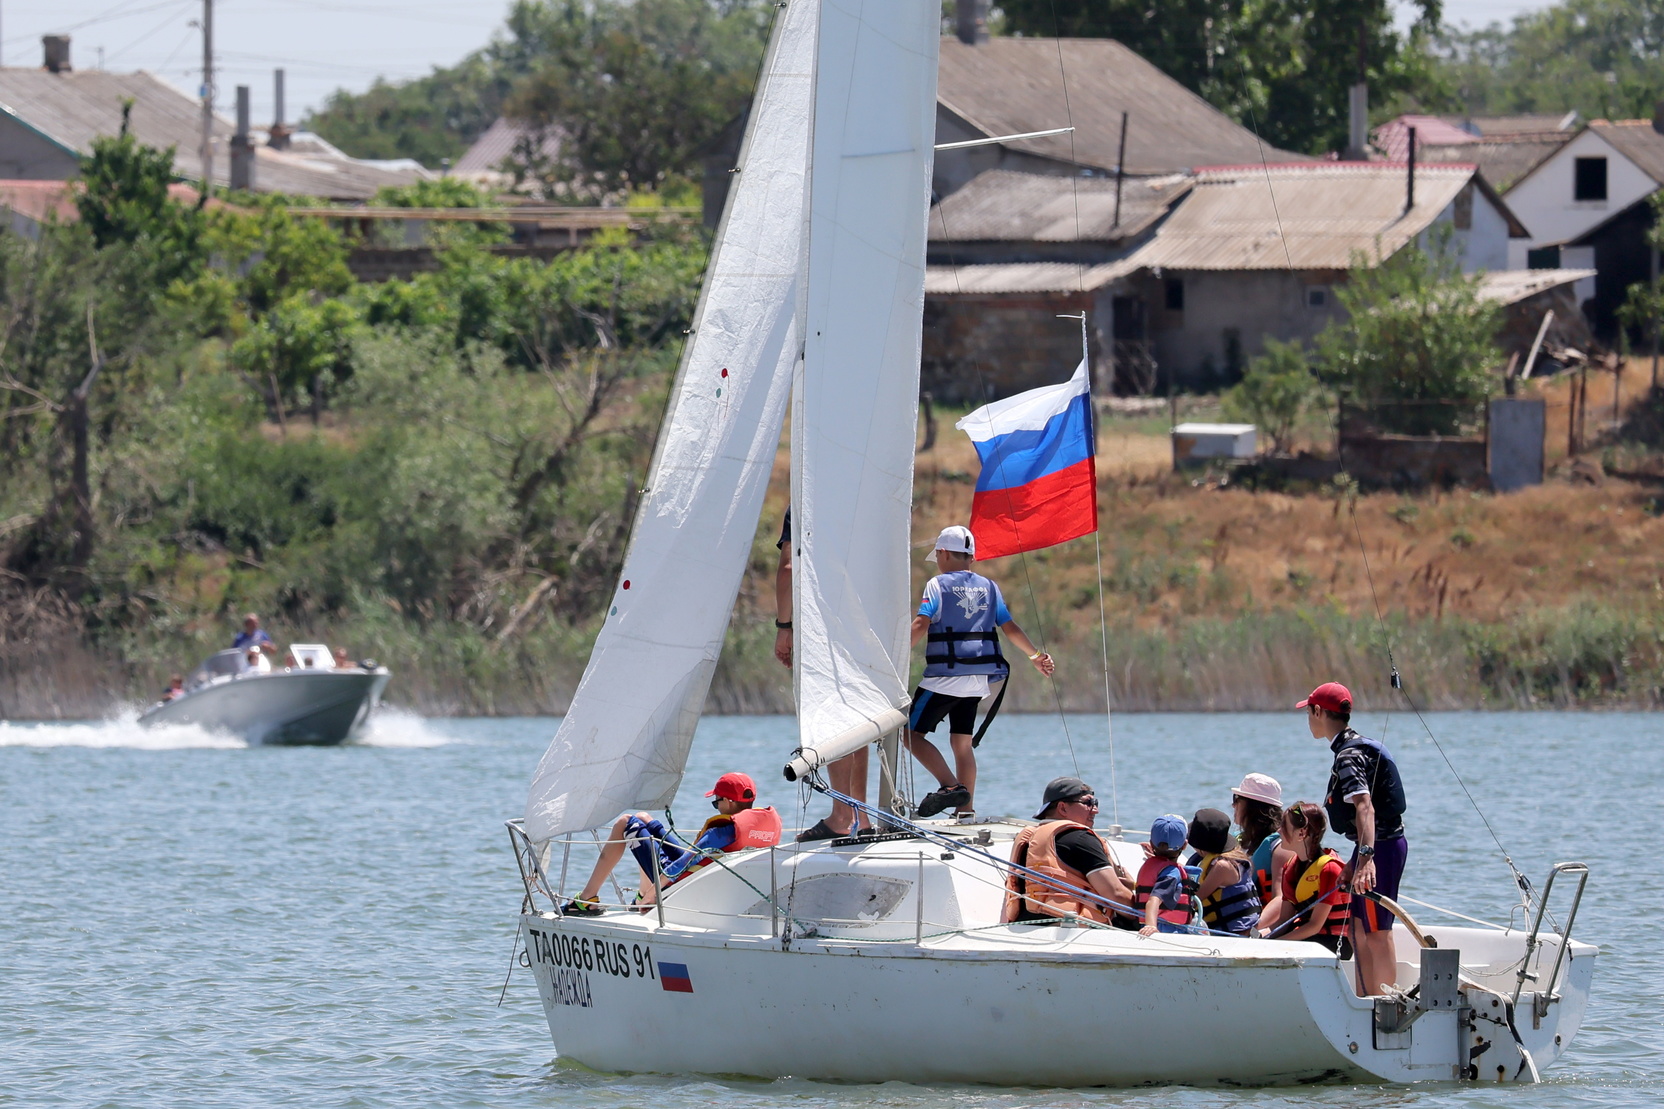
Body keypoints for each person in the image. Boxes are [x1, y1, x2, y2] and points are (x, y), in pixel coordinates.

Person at [906, 526, 1054, 820]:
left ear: (943, 554)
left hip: (944, 678)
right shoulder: (990, 587)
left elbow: (922, 624)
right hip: (978, 681)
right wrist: (1035, 656)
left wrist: (893, 655)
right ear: (971, 558)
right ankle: (966, 811)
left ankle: (950, 786)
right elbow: (1009, 627)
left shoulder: (937, 585)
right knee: (961, 744)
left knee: (910, 736)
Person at [1300, 681, 1408, 996]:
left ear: (1318, 711)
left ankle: (1384, 1004)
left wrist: (1366, 858)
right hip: (1374, 847)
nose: (1308, 719)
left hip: (1382, 848)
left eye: (1308, 712)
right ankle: (1364, 1000)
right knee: (1358, 929)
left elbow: (1365, 807)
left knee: (1376, 931)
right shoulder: (1352, 748)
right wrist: (1353, 861)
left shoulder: (1348, 755)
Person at [778, 506, 873, 841]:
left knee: (833, 716)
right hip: (867, 622)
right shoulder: (863, 498)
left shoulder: (805, 500)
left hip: (822, 626)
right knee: (859, 717)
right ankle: (861, 816)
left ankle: (840, 815)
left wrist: (783, 626)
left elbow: (789, 567)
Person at [563, 772, 782, 915]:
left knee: (626, 823)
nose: (715, 805)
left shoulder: (722, 832)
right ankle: (640, 891)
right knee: (644, 817)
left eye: (716, 801)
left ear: (729, 802)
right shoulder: (763, 827)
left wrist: (650, 899)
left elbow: (681, 864)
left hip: (681, 885)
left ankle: (587, 899)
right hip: (709, 879)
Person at [1001, 777, 1137, 926]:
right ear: (1063, 808)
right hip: (1069, 931)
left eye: (1096, 803)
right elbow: (1116, 895)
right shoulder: (1080, 839)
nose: (1096, 810)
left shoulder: (1027, 840)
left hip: (1022, 928)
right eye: (1088, 803)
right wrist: (1144, 911)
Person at [1255, 801, 1351, 955]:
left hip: (1332, 943)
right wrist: (1261, 940)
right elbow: (1284, 919)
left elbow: (1315, 925)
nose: (1279, 831)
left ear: (1301, 833)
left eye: (1284, 827)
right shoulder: (1290, 867)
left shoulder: (1329, 869)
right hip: (1307, 939)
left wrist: (1276, 945)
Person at [1231, 772, 1294, 926]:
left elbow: (1280, 898)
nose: (1233, 805)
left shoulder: (1280, 846)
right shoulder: (1238, 840)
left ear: (1252, 807)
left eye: (1237, 800)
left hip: (1261, 925)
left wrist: (1254, 929)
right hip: (1236, 920)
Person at [1187, 807, 1261, 936]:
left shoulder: (1222, 867)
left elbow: (1194, 901)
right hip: (1226, 931)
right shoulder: (1226, 858)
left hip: (1236, 935)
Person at [1137, 814, 1200, 936]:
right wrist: (1151, 925)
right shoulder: (1171, 872)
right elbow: (1153, 900)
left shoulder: (1149, 865)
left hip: (1155, 924)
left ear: (1151, 843)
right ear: (1185, 845)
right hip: (1167, 929)